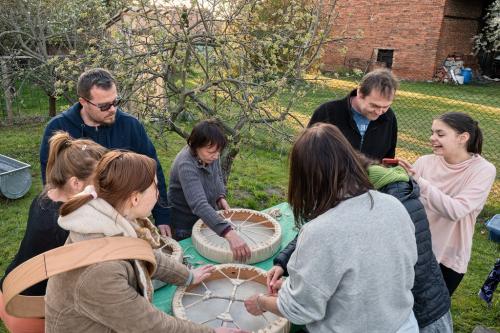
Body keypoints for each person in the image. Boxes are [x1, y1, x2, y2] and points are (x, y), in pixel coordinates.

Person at [44, 151, 245, 333]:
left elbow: (143, 252)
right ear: (135, 199)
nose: (158, 193)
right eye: (155, 187)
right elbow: (149, 326)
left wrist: (188, 277)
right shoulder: (100, 271)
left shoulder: (110, 222)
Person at [244, 123, 418, 332]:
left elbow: (299, 310)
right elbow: (364, 278)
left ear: (305, 178)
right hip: (402, 324)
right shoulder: (392, 204)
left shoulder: (320, 231)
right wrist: (295, 287)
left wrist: (261, 302)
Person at [268, 156, 453, 332]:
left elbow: (308, 306)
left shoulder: (391, 204)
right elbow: (321, 225)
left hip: (422, 310)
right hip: (396, 312)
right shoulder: (370, 195)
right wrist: (283, 261)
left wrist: (265, 302)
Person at [39, 68, 172, 237]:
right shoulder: (57, 128)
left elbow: (153, 170)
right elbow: (51, 180)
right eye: (104, 106)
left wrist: (163, 216)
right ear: (83, 101)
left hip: (124, 217)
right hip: (80, 223)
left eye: (115, 102)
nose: (112, 109)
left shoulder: (130, 126)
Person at [0, 132, 106, 333]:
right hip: (29, 309)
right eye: (100, 182)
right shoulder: (65, 224)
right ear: (76, 183)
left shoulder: (48, 195)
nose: (102, 189)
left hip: (11, 286)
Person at [399, 112, 496, 296]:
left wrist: (420, 182)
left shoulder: (483, 170)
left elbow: (456, 210)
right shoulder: (424, 162)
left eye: (440, 134)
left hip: (448, 258)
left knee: (430, 319)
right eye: (432, 132)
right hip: (413, 250)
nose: (432, 138)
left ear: (463, 138)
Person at [168, 120, 251, 262]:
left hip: (206, 219)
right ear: (194, 146)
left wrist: (220, 197)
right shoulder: (186, 164)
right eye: (211, 152)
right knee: (195, 261)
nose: (216, 156)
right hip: (184, 225)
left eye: (219, 151)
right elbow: (199, 205)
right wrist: (229, 233)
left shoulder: (211, 155)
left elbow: (217, 177)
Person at [308, 68, 398, 160]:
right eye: (374, 105)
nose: (379, 112)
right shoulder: (327, 112)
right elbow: (307, 153)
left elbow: (388, 158)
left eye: (386, 107)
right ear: (360, 93)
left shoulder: (389, 117)